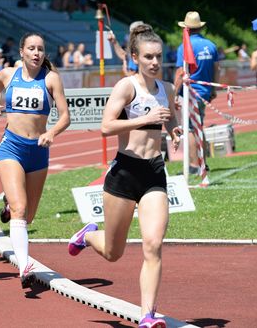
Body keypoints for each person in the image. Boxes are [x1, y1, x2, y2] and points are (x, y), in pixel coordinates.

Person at [68, 23, 182, 328]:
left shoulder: (167, 89)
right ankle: (88, 235)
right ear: (135, 57)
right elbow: (106, 127)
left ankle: (147, 315)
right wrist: (144, 118)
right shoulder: (127, 87)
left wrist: (175, 131)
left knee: (153, 244)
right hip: (124, 172)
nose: (155, 62)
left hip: (154, 172)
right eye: (148, 57)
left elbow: (169, 122)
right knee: (113, 252)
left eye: (158, 56)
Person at [0, 32, 70, 288]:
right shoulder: (8, 74)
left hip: (38, 151)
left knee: (27, 216)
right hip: (12, 147)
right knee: (21, 208)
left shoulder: (51, 78)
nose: (36, 53)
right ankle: (24, 266)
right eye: (31, 48)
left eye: (40, 49)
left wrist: (51, 132)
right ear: (21, 51)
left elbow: (65, 116)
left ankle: (9, 209)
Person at [174, 11, 219, 175]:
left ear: (186, 28)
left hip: (190, 92)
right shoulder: (211, 45)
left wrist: (173, 95)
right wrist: (213, 89)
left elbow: (180, 72)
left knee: (191, 129)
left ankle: (194, 165)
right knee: (198, 127)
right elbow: (216, 68)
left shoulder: (185, 46)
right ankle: (202, 162)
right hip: (205, 92)